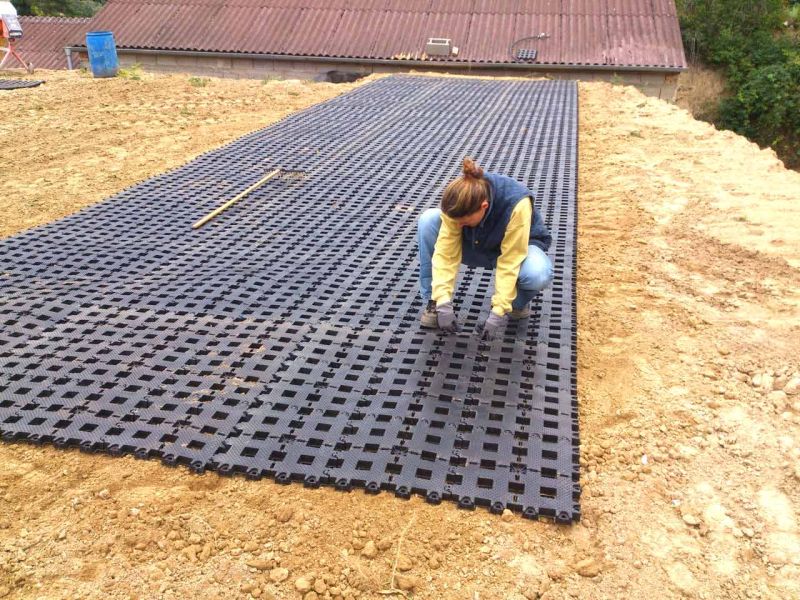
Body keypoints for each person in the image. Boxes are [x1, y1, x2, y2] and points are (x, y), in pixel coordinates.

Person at [418, 157, 553, 340]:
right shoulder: (458, 199)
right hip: (475, 243)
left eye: (464, 222)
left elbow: (510, 260)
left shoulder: (517, 203)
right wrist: (442, 300)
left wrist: (498, 311)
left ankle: (515, 303)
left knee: (538, 272)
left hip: (514, 249)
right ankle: (434, 303)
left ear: (484, 206)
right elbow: (445, 254)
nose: (458, 225)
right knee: (428, 220)